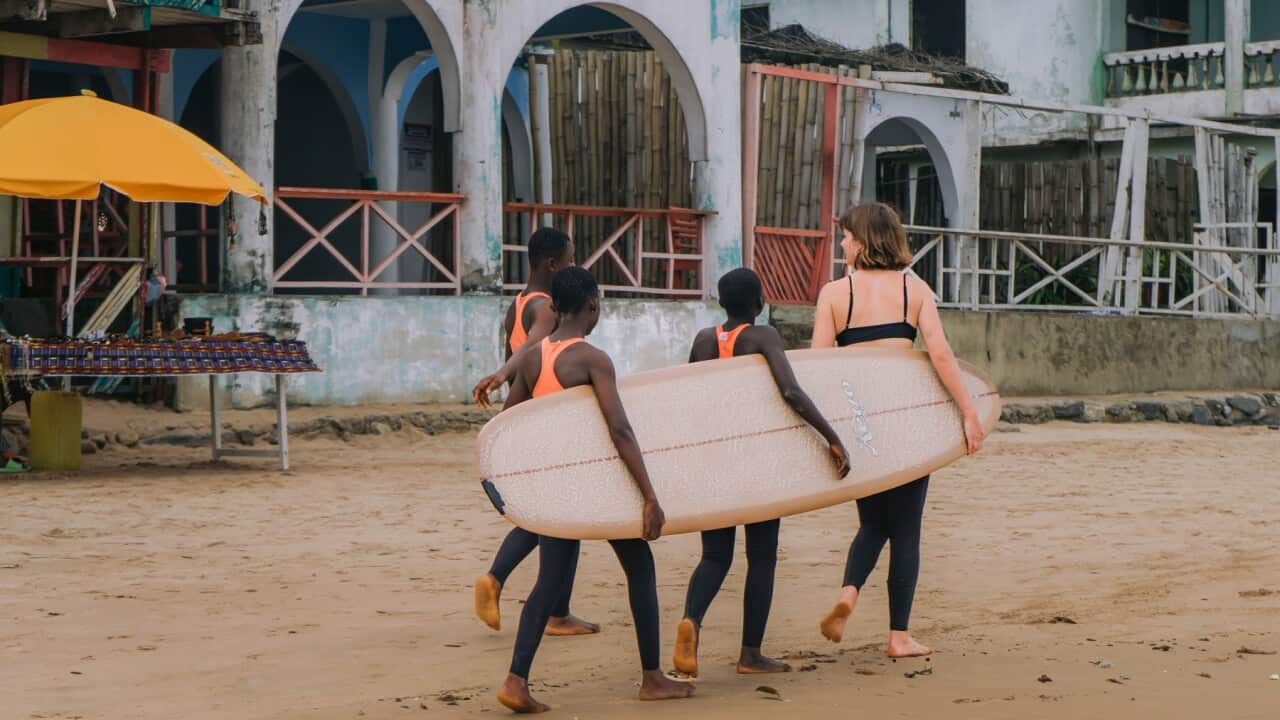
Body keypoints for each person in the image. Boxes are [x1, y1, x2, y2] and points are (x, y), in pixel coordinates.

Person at [496, 267, 693, 712]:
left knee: (549, 581)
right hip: (597, 484)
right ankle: (652, 678)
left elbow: (509, 423)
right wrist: (649, 496)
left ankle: (515, 680)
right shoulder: (592, 359)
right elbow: (619, 429)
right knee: (640, 567)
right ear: (592, 306)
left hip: (555, 483)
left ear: (553, 307)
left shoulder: (533, 358)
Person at [810, 202, 985, 658]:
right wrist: (969, 412)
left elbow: (818, 366)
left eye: (846, 236)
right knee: (905, 530)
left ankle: (849, 593)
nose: (842, 243)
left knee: (872, 523)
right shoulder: (914, 288)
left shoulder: (835, 294)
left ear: (863, 240)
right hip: (906, 424)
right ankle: (899, 636)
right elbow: (940, 354)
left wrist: (829, 435)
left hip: (860, 426)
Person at [672, 268, 850, 677]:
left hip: (713, 461)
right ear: (760, 303)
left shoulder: (703, 340)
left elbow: (685, 397)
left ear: (721, 303)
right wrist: (831, 436)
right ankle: (750, 654)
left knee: (715, 556)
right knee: (762, 557)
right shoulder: (762, 337)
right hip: (756, 461)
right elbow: (790, 391)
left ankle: (691, 620)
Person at [473, 228, 598, 637]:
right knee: (559, 518)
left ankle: (555, 609)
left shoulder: (518, 303)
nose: (573, 267)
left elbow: (519, 352)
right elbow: (533, 348)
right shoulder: (545, 305)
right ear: (552, 264)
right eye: (570, 260)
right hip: (547, 417)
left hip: (526, 415)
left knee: (555, 516)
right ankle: (502, 580)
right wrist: (501, 375)